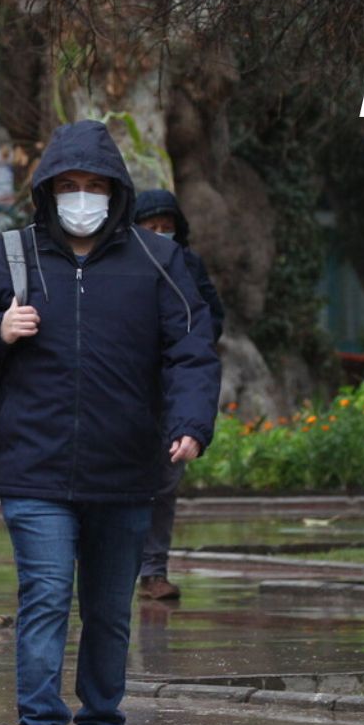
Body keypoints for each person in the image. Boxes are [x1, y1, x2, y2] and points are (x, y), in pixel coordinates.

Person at [0, 121, 220, 725]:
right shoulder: (8, 256)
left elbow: (191, 349)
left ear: (116, 192)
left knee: (109, 610)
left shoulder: (158, 263)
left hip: (126, 472)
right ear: (47, 192)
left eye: (95, 186)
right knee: (43, 598)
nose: (83, 198)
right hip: (34, 468)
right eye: (70, 186)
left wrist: (189, 425)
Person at [132, 189, 226, 601]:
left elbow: (209, 319)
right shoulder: (119, 266)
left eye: (166, 229)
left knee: (164, 483)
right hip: (126, 390)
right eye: (150, 228)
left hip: (171, 394)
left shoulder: (188, 266)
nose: (159, 235)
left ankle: (154, 570)